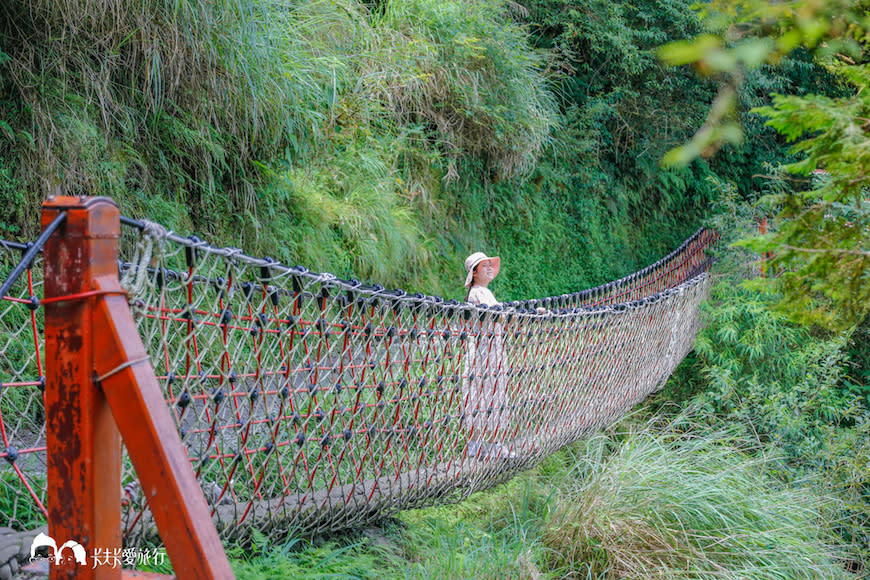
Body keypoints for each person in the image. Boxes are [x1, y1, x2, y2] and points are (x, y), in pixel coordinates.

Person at [462, 252, 515, 460]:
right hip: (487, 351)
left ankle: (476, 445)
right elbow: (499, 317)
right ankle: (493, 446)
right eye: (484, 266)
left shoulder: (482, 291)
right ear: (474, 273)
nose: (490, 268)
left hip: (483, 349)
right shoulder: (480, 293)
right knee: (492, 394)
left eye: (490, 265)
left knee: (478, 395)